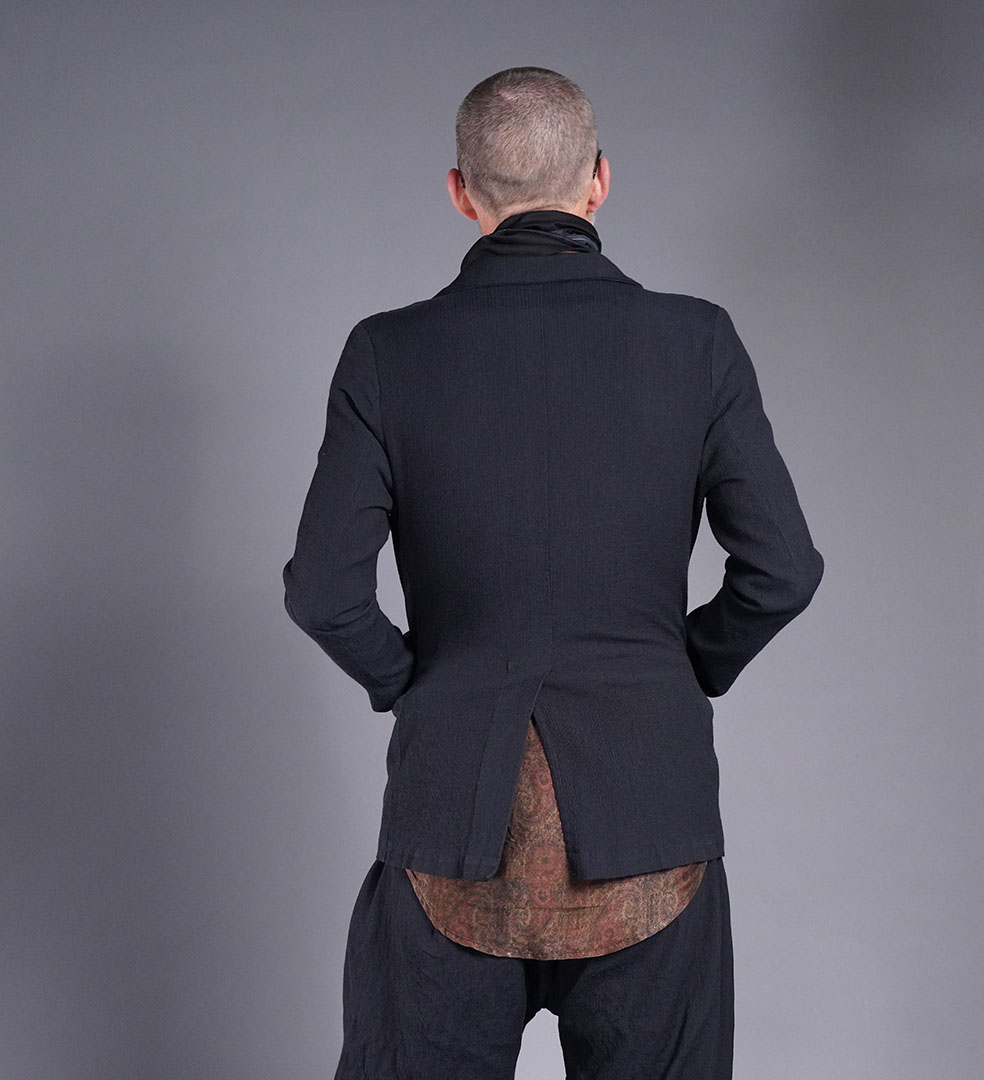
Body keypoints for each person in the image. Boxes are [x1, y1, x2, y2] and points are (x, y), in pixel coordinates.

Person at [282, 66, 823, 1080]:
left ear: (462, 192)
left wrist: (418, 684)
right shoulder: (696, 341)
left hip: (452, 822)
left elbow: (322, 592)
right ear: (599, 181)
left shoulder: (386, 353)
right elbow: (783, 570)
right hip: (651, 819)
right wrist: (682, 666)